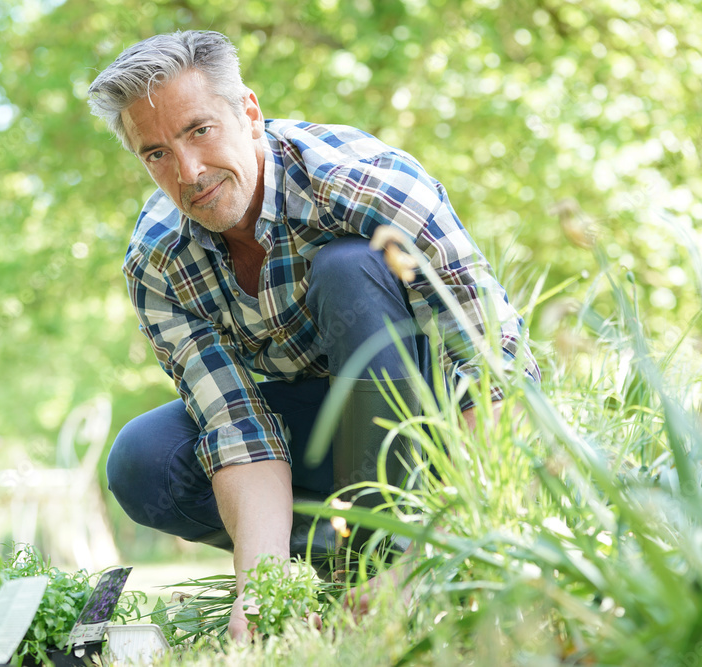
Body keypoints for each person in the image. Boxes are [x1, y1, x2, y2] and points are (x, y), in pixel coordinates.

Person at [88, 30, 540, 640]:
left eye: (199, 130)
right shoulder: (158, 261)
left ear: (248, 113)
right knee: (144, 459)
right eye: (157, 153)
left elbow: (492, 368)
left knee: (350, 268)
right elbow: (236, 427)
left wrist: (422, 555)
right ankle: (331, 570)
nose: (188, 172)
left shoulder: (364, 185)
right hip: (318, 430)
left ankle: (406, 557)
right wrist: (260, 597)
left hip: (431, 423)